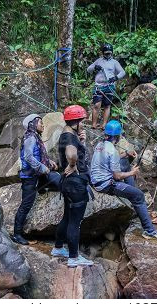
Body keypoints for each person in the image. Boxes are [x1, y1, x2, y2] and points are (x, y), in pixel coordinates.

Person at [90, 120, 157, 240]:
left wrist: (126, 153)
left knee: (124, 162)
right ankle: (149, 230)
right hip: (106, 185)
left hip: (96, 180)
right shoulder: (113, 151)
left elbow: (110, 159)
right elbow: (117, 176)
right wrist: (133, 172)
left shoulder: (100, 146)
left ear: (106, 135)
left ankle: (133, 198)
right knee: (138, 195)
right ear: (118, 136)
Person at [51, 105, 94, 267]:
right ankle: (74, 257)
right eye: (82, 121)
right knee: (74, 222)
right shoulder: (69, 137)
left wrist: (81, 141)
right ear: (76, 121)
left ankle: (58, 247)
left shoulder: (68, 134)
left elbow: (75, 149)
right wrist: (73, 164)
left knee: (67, 217)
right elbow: (71, 153)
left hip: (68, 184)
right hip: (76, 185)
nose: (84, 123)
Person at [12, 114, 61, 245]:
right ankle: (17, 234)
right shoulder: (30, 138)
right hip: (29, 177)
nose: (43, 125)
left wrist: (49, 162)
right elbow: (28, 157)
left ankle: (42, 188)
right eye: (40, 123)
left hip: (36, 175)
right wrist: (43, 168)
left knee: (55, 178)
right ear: (32, 124)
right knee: (26, 204)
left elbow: (38, 155)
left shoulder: (35, 137)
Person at [87, 43, 126, 129]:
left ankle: (104, 125)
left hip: (109, 86)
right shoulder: (98, 61)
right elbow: (88, 69)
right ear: (103, 53)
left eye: (110, 53)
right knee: (96, 105)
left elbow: (122, 72)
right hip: (99, 86)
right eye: (106, 53)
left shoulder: (114, 62)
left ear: (112, 52)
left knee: (107, 105)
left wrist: (115, 78)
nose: (108, 55)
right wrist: (94, 67)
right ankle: (93, 124)